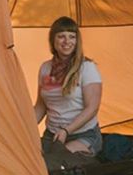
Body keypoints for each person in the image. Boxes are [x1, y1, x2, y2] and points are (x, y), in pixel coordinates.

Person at [34, 16, 103, 157]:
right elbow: (41, 106)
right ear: (53, 40)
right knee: (31, 161)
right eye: (61, 36)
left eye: (72, 37)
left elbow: (92, 108)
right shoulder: (45, 68)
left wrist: (66, 130)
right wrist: (22, 128)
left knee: (59, 159)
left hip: (83, 134)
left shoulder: (87, 68)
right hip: (52, 134)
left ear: (77, 41)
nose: (67, 42)